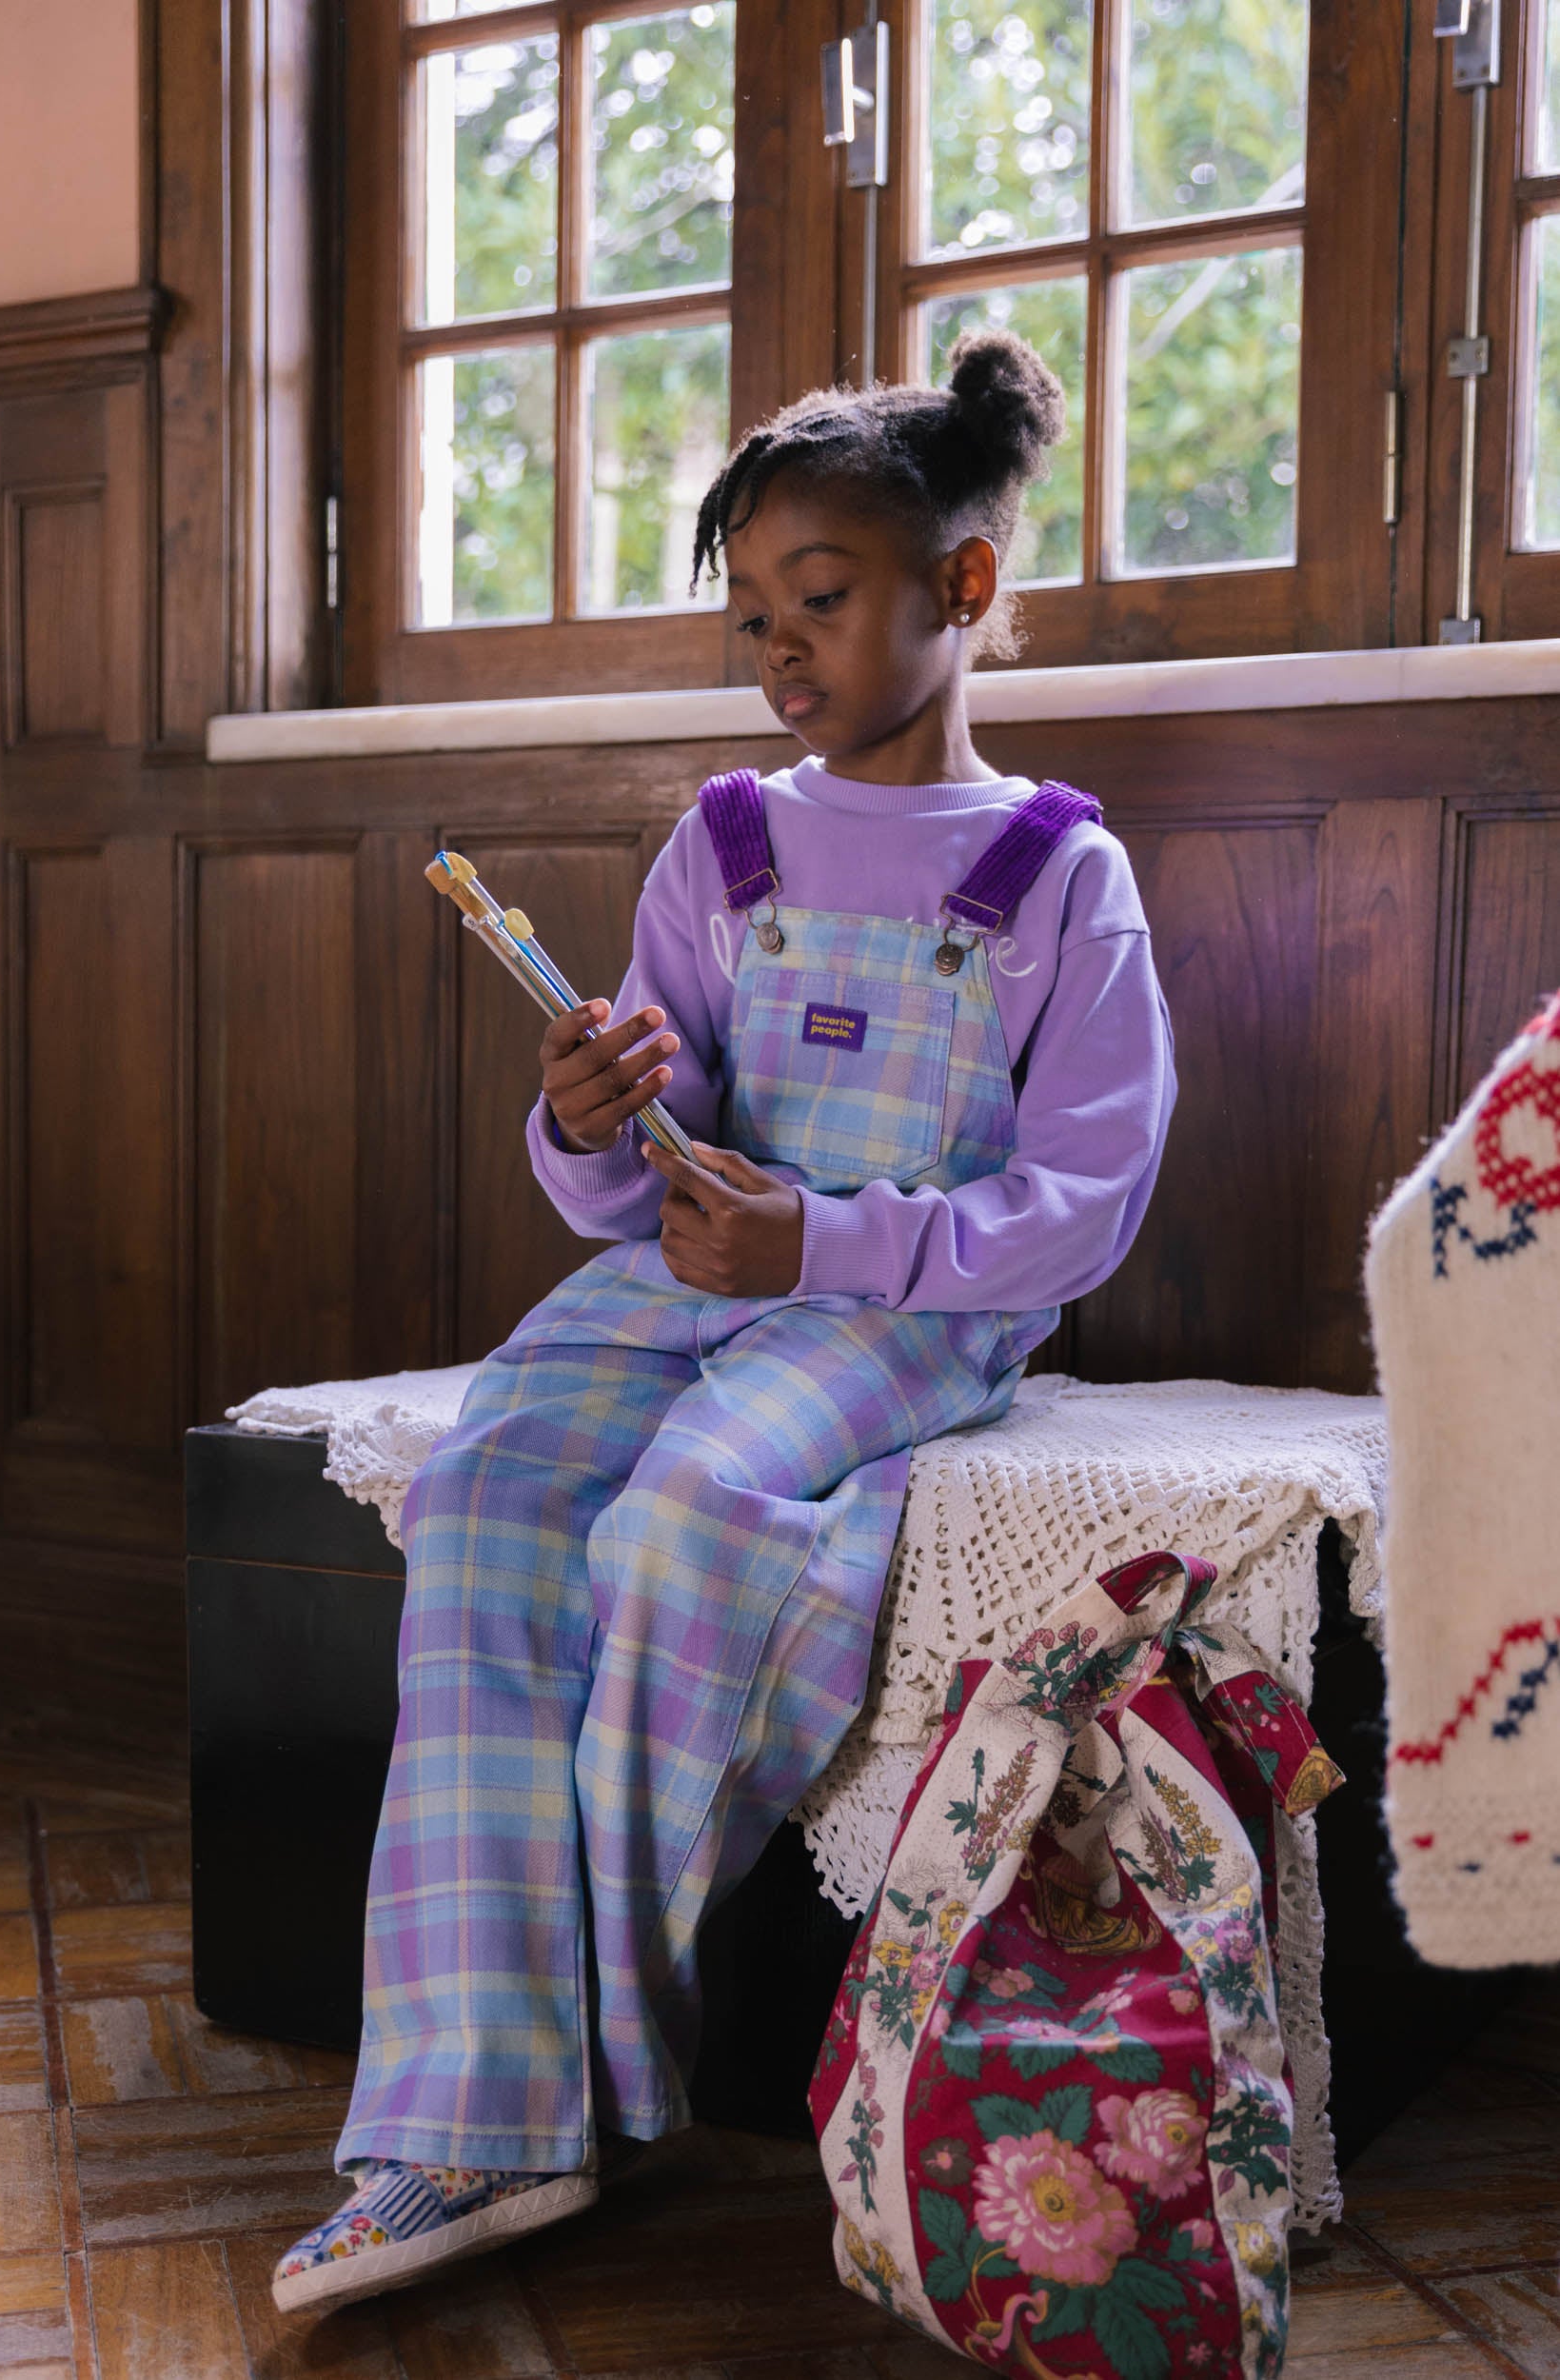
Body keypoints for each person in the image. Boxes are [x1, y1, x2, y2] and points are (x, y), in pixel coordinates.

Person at [272, 331, 1177, 2316]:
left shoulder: (1057, 871)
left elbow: (1083, 1206)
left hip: (909, 1315)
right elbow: (635, 1176)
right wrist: (587, 1121)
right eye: (754, 613)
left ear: (963, 584)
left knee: (690, 1514)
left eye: (820, 599)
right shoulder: (726, 841)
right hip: (685, 1286)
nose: (780, 648)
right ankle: (458, 2113)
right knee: (491, 1491)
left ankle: (566, 2091)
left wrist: (824, 1245)